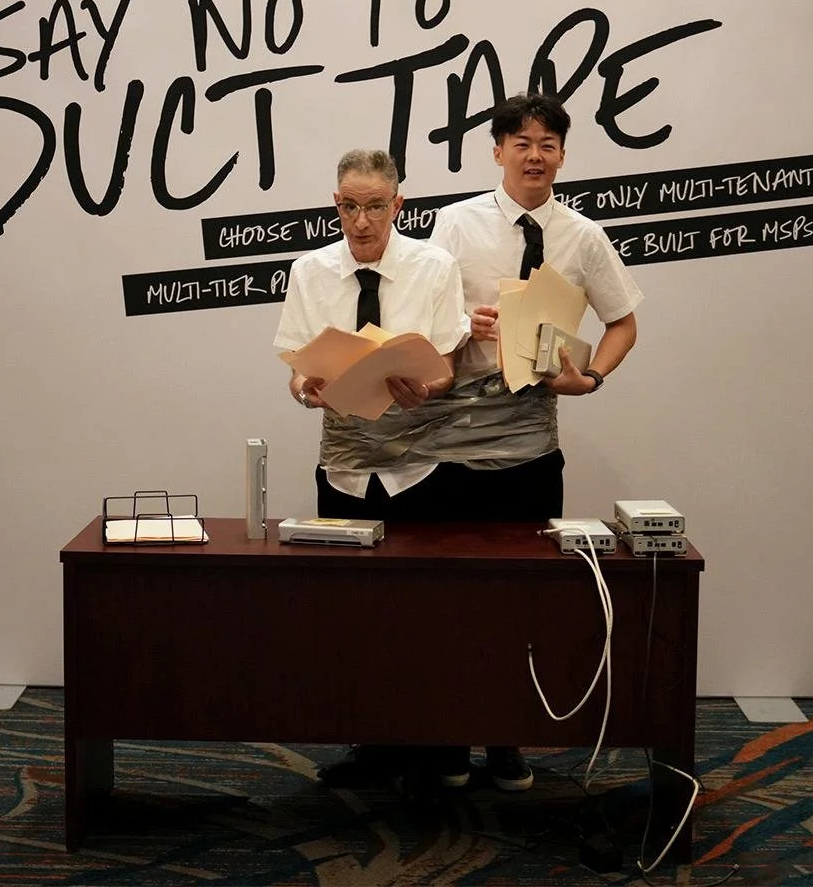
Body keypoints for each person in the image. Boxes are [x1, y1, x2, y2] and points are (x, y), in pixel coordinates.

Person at [429, 92, 644, 792]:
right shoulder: (454, 225)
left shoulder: (583, 235)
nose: (534, 155)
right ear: (496, 150)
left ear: (561, 154)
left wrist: (596, 379)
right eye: (520, 142)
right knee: (454, 598)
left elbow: (622, 323)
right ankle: (450, 739)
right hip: (453, 441)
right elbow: (418, 318)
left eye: (548, 143)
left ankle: (506, 740)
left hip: (531, 442)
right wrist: (468, 325)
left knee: (525, 594)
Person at [273, 148, 470, 789]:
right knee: (353, 610)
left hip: (423, 464)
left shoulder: (433, 266)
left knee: (430, 609)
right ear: (336, 204)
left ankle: (441, 748)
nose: (361, 222)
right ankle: (370, 745)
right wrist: (303, 385)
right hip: (346, 462)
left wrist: (430, 388)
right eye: (349, 207)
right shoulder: (309, 270)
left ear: (398, 205)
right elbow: (300, 362)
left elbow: (446, 358)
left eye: (375, 207)